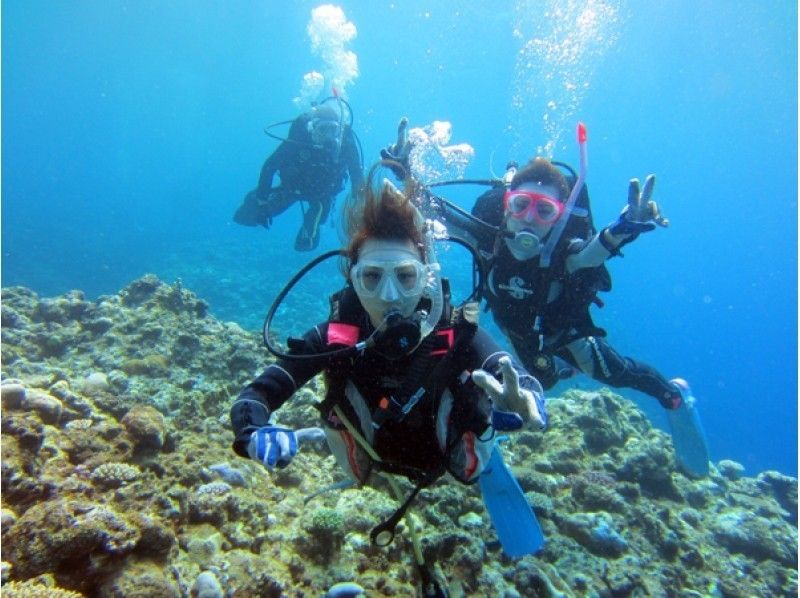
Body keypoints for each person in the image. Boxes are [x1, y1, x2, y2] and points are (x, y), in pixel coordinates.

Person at [229, 164, 546, 594]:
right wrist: (252, 428)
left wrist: (525, 399)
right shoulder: (335, 337)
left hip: (444, 457)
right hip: (369, 454)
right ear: (352, 278)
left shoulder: (457, 332)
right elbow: (259, 392)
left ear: (427, 275)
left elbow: (513, 373)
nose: (390, 296)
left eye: (406, 276)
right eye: (372, 278)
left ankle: (488, 435)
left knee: (481, 433)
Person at [383, 119, 709, 477]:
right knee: (542, 379)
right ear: (506, 205)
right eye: (521, 205)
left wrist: (625, 228)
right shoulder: (487, 239)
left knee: (616, 373)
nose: (530, 220)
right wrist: (405, 173)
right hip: (522, 337)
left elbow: (596, 249)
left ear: (558, 219)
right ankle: (512, 407)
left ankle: (674, 397)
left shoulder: (565, 253)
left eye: (545, 210)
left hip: (562, 334)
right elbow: (431, 206)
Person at [234, 97, 364, 251]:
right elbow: (269, 166)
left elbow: (357, 174)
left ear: (339, 130)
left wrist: (360, 208)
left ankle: (308, 231)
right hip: (292, 187)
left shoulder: (345, 143)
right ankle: (256, 203)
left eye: (333, 129)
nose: (329, 136)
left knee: (314, 226)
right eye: (323, 129)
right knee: (249, 216)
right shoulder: (298, 139)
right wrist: (262, 199)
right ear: (312, 128)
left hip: (322, 193)